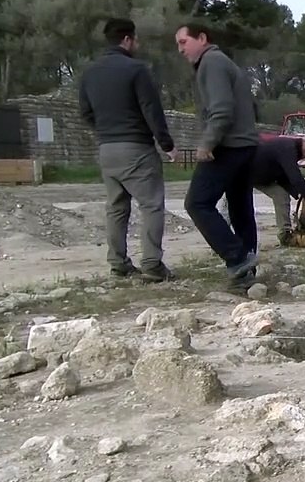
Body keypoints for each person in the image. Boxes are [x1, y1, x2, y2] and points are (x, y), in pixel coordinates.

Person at [78, 18, 176, 282]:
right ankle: (152, 264)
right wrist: (167, 144)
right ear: (127, 40)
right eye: (136, 39)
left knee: (116, 208)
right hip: (136, 148)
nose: (137, 44)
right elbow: (151, 110)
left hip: (107, 149)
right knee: (152, 205)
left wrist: (105, 131)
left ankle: (118, 262)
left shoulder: (90, 73)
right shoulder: (136, 70)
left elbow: (85, 112)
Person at [175, 22, 260, 288]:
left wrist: (207, 143)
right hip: (246, 145)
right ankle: (245, 272)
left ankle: (236, 258)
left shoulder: (211, 62)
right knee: (240, 208)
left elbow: (222, 110)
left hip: (229, 145)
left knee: (197, 203)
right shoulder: (225, 63)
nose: (180, 49)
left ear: (202, 38)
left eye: (183, 42)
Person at [251, 134, 305, 246]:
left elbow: (283, 175)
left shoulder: (293, 150)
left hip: (264, 177)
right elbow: (295, 176)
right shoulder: (288, 147)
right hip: (246, 174)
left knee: (281, 196)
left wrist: (298, 194)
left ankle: (285, 235)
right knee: (233, 208)